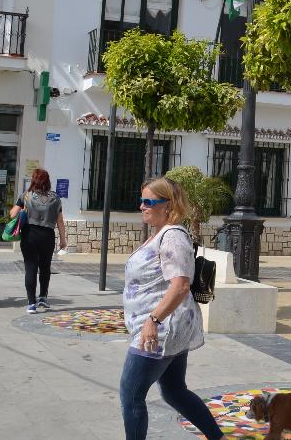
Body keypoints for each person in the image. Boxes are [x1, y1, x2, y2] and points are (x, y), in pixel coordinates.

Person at [120, 176, 222, 440]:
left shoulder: (173, 236)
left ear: (168, 205)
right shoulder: (160, 233)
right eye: (141, 200)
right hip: (167, 326)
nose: (142, 206)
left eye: (149, 201)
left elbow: (180, 285)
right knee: (174, 391)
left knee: (131, 395)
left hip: (161, 329)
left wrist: (152, 320)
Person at [10, 168, 66, 313]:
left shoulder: (26, 196)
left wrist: (22, 210)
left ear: (33, 180)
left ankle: (31, 303)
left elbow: (12, 214)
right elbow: (60, 221)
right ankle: (43, 297)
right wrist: (63, 240)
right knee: (45, 267)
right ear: (47, 181)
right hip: (48, 237)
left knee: (31, 268)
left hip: (30, 235)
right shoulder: (55, 198)